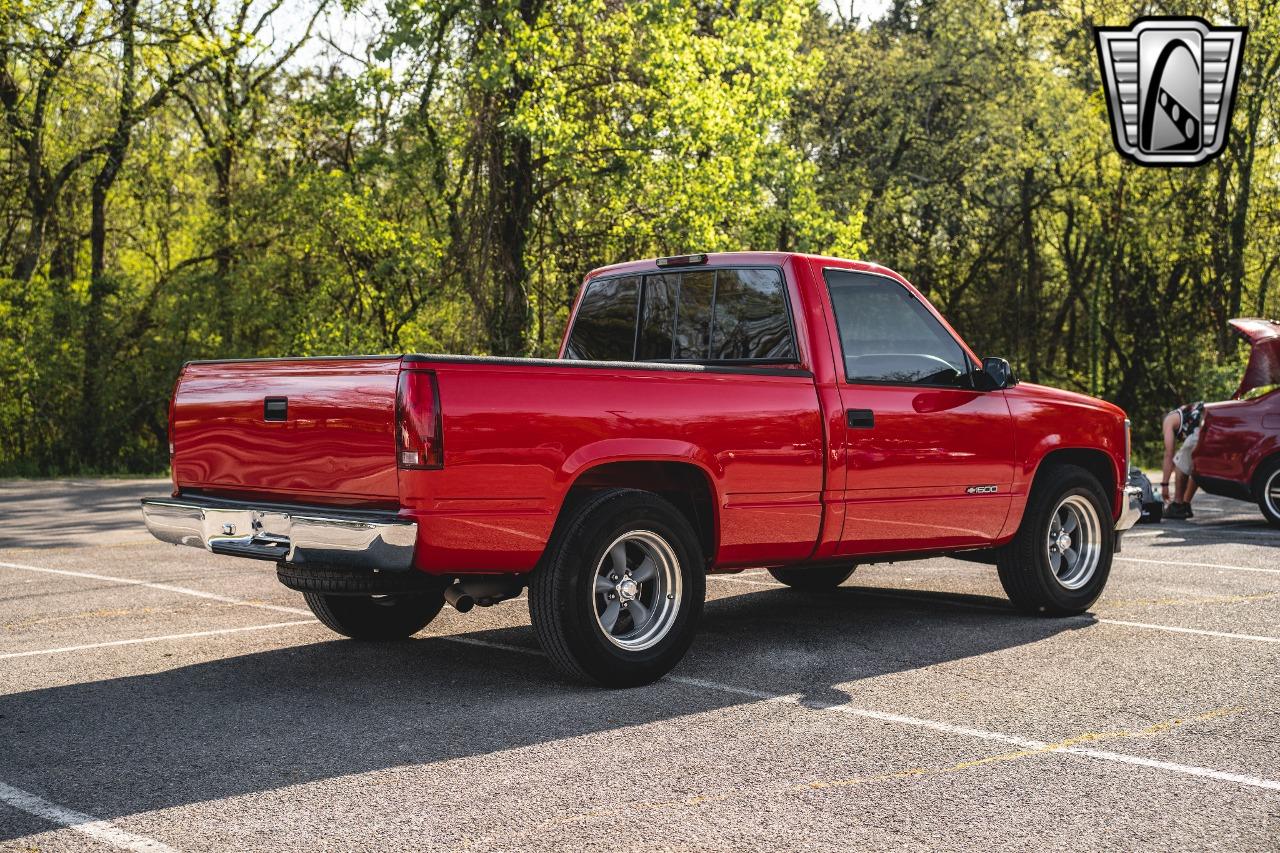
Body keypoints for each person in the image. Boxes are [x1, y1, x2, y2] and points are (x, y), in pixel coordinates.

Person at [1161, 401, 1204, 519]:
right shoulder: (1187, 413)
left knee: (1179, 463)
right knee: (1194, 466)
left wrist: (1164, 485)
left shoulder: (1168, 420)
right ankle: (1185, 504)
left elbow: (1169, 454)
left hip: (1200, 429)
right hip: (1213, 428)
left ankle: (1177, 504)